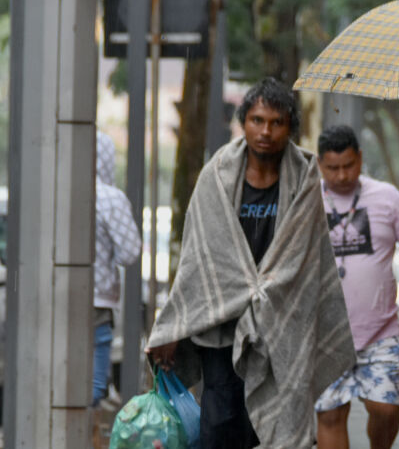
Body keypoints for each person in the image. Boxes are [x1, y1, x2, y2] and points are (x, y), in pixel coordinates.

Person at [146, 78, 355, 448]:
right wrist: (174, 327)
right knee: (220, 426)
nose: (266, 131)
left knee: (275, 426)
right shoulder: (217, 176)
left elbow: (307, 261)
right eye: (257, 120)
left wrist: (267, 292)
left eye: (276, 122)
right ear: (243, 122)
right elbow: (199, 260)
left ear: (290, 126)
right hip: (222, 325)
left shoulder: (305, 179)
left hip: (282, 324)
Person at [314, 125, 399, 449]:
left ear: (359, 158)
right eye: (333, 168)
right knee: (330, 414)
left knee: (385, 408)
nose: (342, 175)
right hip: (323, 333)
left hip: (380, 331)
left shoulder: (386, 197)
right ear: (319, 164)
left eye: (348, 165)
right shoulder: (307, 201)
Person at [92, 130, 141, 407]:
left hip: (53, 300)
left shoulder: (53, 191)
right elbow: (130, 252)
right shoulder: (110, 198)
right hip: (97, 303)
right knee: (94, 387)